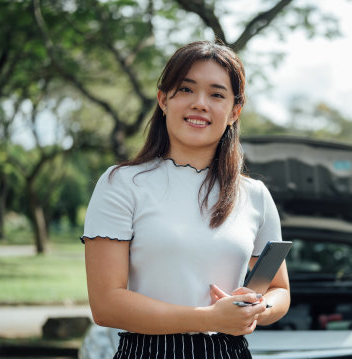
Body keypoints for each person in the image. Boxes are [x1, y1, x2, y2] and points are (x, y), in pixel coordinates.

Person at [81, 41, 290, 359]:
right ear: (163, 100)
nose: (200, 104)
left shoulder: (255, 196)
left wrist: (258, 308)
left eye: (217, 94)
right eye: (186, 90)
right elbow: (106, 304)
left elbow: (280, 291)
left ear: (234, 111)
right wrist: (209, 318)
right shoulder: (120, 184)